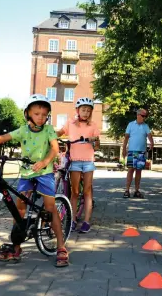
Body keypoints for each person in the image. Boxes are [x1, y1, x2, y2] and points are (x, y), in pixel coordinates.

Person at [0, 94, 69, 267]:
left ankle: (61, 247)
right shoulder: (22, 130)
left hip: (45, 173)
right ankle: (16, 247)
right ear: (28, 113)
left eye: (44, 114)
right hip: (27, 173)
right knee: (19, 209)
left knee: (50, 209)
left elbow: (54, 148)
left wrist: (44, 162)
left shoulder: (49, 130)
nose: (41, 117)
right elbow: (1, 138)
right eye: (37, 113)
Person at [56, 97, 100, 233]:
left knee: (87, 192)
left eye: (88, 111)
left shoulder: (93, 125)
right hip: (74, 161)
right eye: (83, 110)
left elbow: (97, 147)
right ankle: (73, 219)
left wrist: (95, 140)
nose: (86, 113)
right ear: (78, 110)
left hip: (88, 162)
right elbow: (59, 132)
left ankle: (86, 221)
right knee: (74, 192)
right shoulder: (70, 123)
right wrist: (48, 134)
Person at [122, 109, 154, 198]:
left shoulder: (145, 126)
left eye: (145, 116)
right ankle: (127, 190)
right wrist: (124, 149)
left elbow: (149, 135)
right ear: (138, 115)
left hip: (141, 152)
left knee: (139, 171)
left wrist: (152, 143)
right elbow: (126, 137)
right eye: (143, 116)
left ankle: (136, 191)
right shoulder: (131, 124)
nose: (144, 118)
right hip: (132, 151)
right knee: (130, 170)